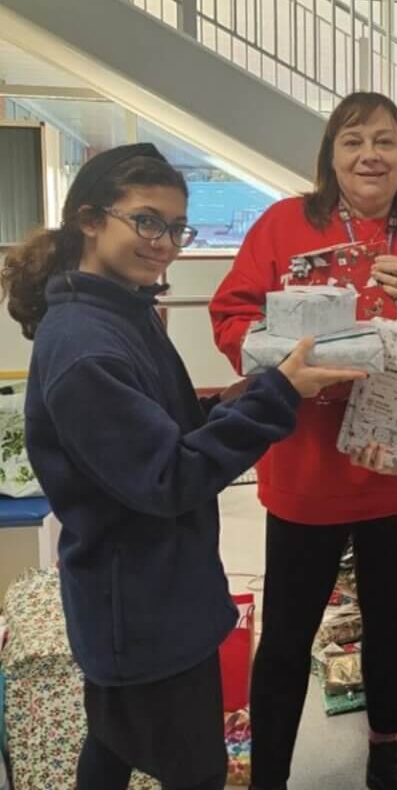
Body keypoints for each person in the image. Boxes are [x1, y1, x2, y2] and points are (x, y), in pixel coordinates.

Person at [0, 144, 366, 790]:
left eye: (175, 227)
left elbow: (164, 430)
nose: (164, 243)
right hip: (143, 613)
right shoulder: (87, 348)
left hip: (149, 593)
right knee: (194, 768)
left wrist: (248, 393)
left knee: (113, 745)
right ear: (89, 219)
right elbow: (171, 476)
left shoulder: (121, 310)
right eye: (146, 221)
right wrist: (279, 394)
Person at [210, 93, 397, 790]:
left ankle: (386, 755)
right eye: (353, 141)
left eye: (385, 142)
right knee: (285, 636)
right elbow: (231, 313)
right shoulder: (285, 224)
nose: (370, 155)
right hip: (309, 467)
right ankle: (270, 773)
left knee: (393, 623)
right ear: (330, 157)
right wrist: (286, 367)